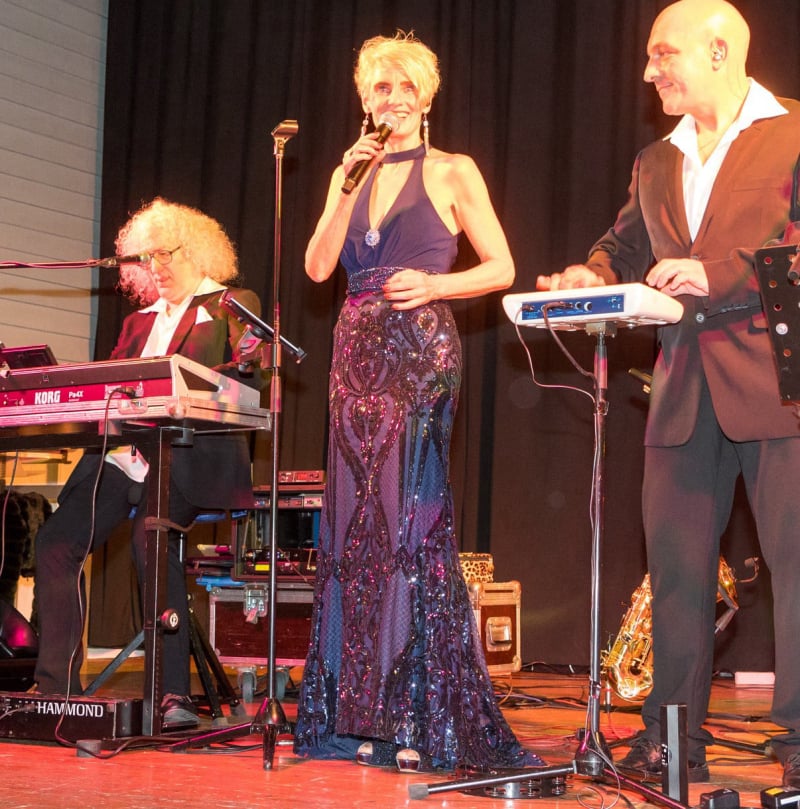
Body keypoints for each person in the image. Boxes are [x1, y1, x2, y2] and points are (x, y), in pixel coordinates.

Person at [536, 0, 800, 787]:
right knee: (678, 574)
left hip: (781, 382)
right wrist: (589, 271)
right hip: (683, 388)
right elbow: (622, 246)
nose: (649, 71)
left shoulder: (793, 132)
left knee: (796, 565)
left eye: (663, 54)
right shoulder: (656, 159)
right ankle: (670, 741)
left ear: (718, 51)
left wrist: (716, 276)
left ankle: (799, 743)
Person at [293, 32, 542, 771]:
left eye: (406, 87)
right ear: (365, 100)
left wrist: (435, 284)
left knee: (407, 523)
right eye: (381, 88)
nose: (393, 99)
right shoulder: (349, 173)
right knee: (352, 530)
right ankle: (353, 715)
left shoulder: (454, 169)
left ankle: (415, 715)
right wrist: (343, 187)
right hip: (354, 352)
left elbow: (501, 266)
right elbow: (317, 269)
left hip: (420, 349)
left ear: (426, 97)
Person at [33, 198, 264, 729]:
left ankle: (171, 694)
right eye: (147, 258)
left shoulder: (230, 304)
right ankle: (56, 692)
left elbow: (247, 376)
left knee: (149, 537)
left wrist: (242, 363)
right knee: (56, 541)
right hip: (125, 457)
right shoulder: (137, 323)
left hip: (188, 454)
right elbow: (107, 392)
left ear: (197, 250)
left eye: (165, 254)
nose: (155, 267)